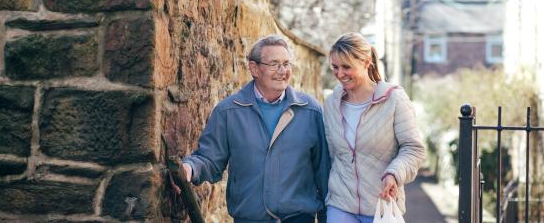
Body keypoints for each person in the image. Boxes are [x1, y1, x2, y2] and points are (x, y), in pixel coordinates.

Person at [182, 34, 330, 223]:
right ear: (254, 68)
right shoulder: (229, 111)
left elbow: (323, 172)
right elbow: (209, 159)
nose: (282, 70)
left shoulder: (310, 110)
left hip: (298, 218)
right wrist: (190, 168)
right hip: (249, 219)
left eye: (286, 63)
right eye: (274, 64)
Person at [323, 33, 426, 223]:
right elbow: (331, 156)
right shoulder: (331, 104)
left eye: (346, 67)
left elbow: (414, 149)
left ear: (366, 62)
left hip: (382, 205)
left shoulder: (394, 99)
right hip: (341, 205)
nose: (339, 74)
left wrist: (393, 173)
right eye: (335, 67)